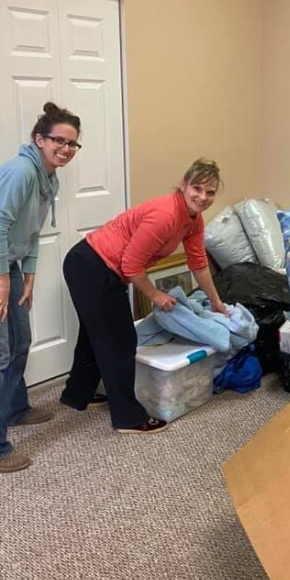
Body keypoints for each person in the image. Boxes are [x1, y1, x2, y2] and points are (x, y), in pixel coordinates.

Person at [0, 102, 82, 473]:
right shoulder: (22, 172)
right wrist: (3, 283)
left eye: (72, 144)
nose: (66, 149)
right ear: (39, 139)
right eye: (59, 140)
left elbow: (32, 230)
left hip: (6, 264)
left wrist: (30, 273)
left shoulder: (48, 176)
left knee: (20, 340)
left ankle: (13, 408)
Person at [59, 158, 228, 434]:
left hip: (96, 265)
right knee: (121, 341)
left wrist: (216, 301)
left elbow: (198, 261)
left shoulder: (193, 219)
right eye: (197, 188)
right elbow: (131, 265)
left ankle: (78, 393)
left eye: (210, 192)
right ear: (183, 185)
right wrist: (155, 295)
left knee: (94, 334)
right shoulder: (166, 214)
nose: (203, 197)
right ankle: (127, 417)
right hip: (92, 265)